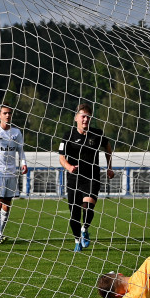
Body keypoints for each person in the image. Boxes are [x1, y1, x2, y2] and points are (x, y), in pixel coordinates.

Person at [58, 103, 114, 252]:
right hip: (74, 179)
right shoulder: (68, 136)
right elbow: (61, 157)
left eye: (88, 117)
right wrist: (69, 167)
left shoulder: (97, 134)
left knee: (88, 206)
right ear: (76, 117)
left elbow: (108, 147)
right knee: (74, 214)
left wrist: (109, 167)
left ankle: (85, 229)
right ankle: (77, 240)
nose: (85, 120)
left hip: (92, 177)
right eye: (83, 116)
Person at [0, 105, 28, 244]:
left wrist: (23, 163)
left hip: (12, 172)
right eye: (5, 113)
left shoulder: (16, 133)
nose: (7, 115)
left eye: (9, 113)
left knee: (7, 205)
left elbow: (20, 150)